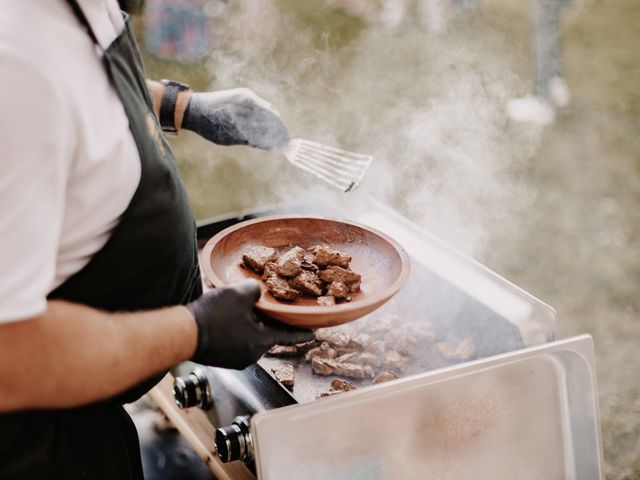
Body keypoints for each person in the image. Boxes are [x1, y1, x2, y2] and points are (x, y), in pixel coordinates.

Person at [0, 0, 310, 478]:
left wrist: (178, 105)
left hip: (87, 413)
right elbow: (9, 355)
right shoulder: (16, 66)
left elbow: (76, 82)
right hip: (34, 446)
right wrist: (192, 330)